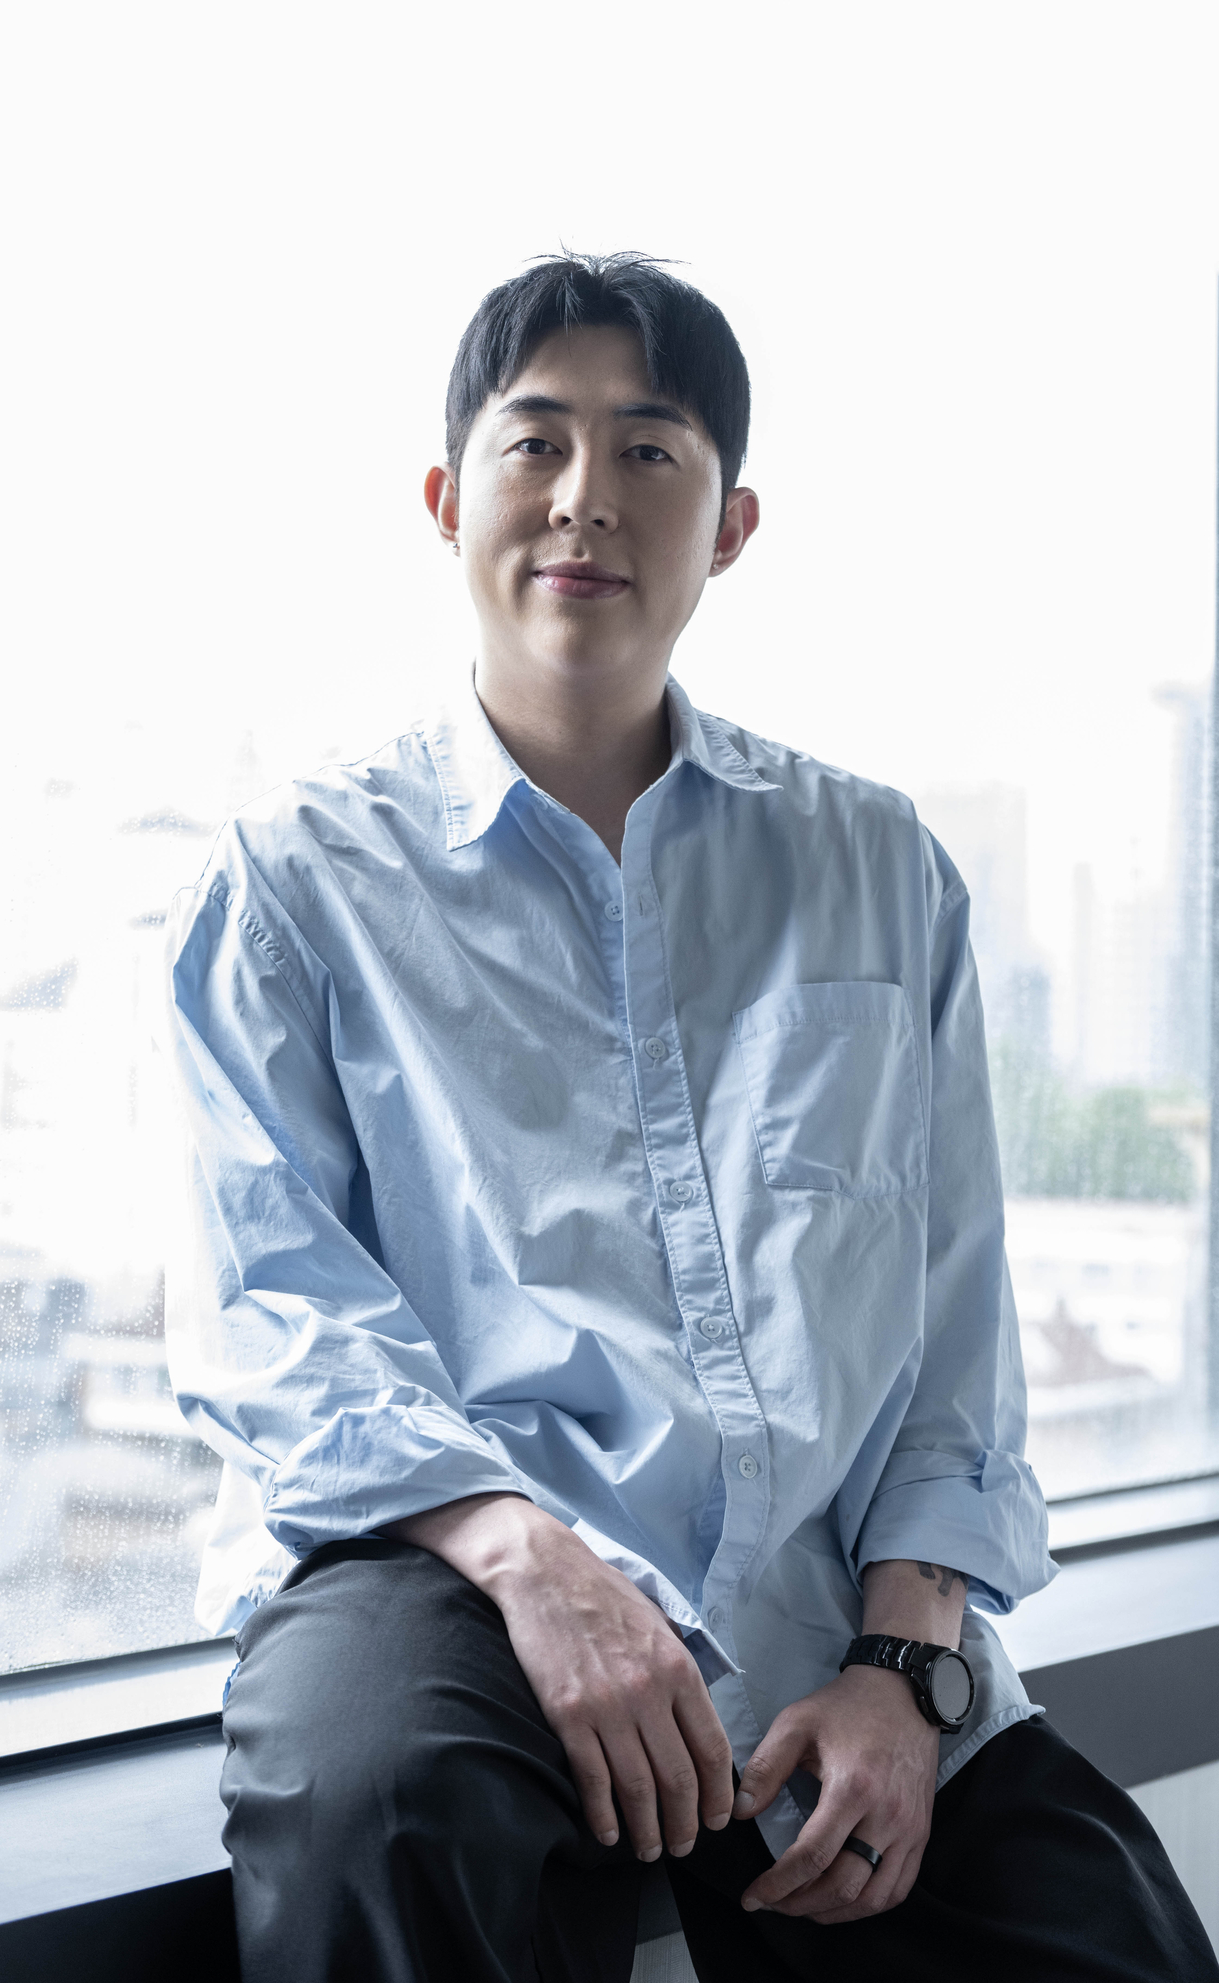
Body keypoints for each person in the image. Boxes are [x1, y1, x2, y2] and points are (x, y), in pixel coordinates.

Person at [164, 253, 1216, 1983]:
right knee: (377, 1806)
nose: (587, 499)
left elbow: (956, 1335)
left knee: (1107, 1934)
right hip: (447, 1562)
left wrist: (909, 1668)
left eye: (652, 451)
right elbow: (271, 1315)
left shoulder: (879, 872)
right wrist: (525, 1558)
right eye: (536, 445)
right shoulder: (297, 881)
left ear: (729, 525)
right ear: (448, 501)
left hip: (820, 1616)